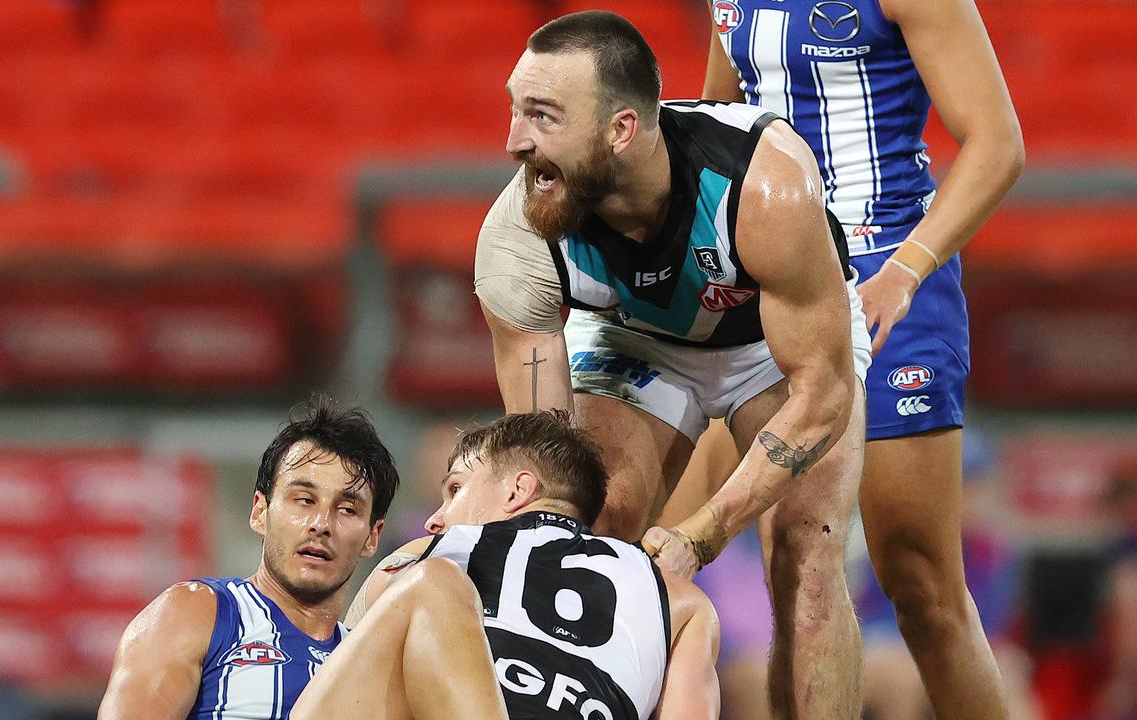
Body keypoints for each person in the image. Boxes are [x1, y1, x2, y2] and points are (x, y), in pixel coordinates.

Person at [473, 10, 871, 717]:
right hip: (637, 337)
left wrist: (706, 530)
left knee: (807, 556)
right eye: (515, 112)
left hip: (770, 351)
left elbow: (823, 396)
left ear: (620, 130)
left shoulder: (764, 184)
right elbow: (546, 460)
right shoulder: (517, 241)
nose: (515, 142)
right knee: (589, 529)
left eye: (541, 116)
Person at [697, 0, 1025, 715]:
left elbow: (998, 141)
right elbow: (718, 118)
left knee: (921, 586)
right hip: (772, 284)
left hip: (888, 283)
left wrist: (905, 272)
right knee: (793, 566)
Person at [331, 410, 720, 720]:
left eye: (455, 490)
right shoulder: (681, 601)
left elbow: (341, 682)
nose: (436, 519)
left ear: (518, 490)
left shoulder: (428, 556)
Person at [98, 397, 400, 719]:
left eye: (347, 509)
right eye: (303, 500)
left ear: (372, 537)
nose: (321, 524)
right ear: (260, 511)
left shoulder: (376, 668)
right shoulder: (196, 613)